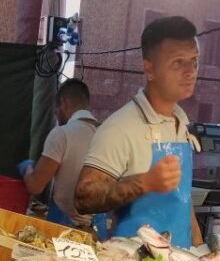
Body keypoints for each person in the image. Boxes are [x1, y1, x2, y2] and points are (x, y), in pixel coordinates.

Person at [74, 16, 203, 247]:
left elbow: (181, 197)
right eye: (178, 63)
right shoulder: (120, 127)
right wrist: (146, 182)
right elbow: (83, 196)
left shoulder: (181, 121)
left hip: (179, 257)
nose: (190, 71)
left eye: (194, 61)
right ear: (149, 69)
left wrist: (197, 242)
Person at [18, 79, 109, 239]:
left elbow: (36, 186)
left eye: (57, 111)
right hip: (97, 231)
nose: (58, 117)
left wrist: (27, 168)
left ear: (63, 102)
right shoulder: (107, 135)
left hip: (63, 231)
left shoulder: (62, 134)